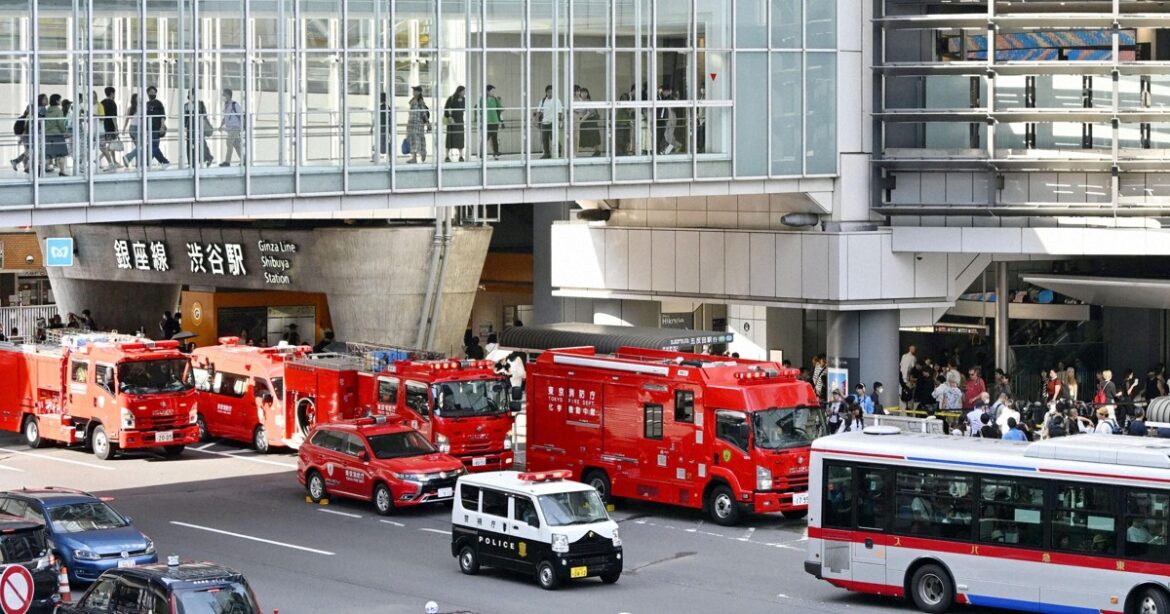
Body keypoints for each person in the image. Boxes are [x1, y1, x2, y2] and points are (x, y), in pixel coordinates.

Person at [184, 89, 214, 168]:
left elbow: (204, 115)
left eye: (193, 94)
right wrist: (185, 125)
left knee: (201, 143)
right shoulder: (186, 105)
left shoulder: (200, 104)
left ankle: (207, 158)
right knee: (189, 144)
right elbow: (185, 117)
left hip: (198, 126)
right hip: (190, 127)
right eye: (190, 94)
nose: (191, 96)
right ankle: (191, 162)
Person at [144, 86, 170, 169]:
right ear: (147, 93)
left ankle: (164, 161)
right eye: (150, 92)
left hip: (156, 128)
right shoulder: (147, 104)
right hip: (148, 128)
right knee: (151, 147)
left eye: (154, 92)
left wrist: (162, 126)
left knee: (153, 147)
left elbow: (162, 115)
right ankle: (147, 163)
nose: (152, 93)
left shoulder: (158, 103)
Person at [97, 87, 122, 171]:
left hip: (103, 126)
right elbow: (113, 117)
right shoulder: (112, 103)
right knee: (111, 145)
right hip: (110, 126)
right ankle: (99, 158)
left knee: (111, 144)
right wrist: (116, 128)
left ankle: (114, 161)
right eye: (114, 93)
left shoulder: (102, 102)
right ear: (112, 93)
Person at [43, 94, 69, 176]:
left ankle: (41, 170)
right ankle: (62, 171)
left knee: (49, 154)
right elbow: (60, 123)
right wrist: (64, 131)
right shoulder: (58, 111)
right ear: (57, 101)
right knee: (62, 154)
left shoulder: (47, 110)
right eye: (60, 100)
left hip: (48, 134)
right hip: (57, 134)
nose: (61, 101)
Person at [535, 85, 563, 159]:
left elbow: (560, 112)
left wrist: (560, 122)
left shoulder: (557, 100)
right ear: (546, 92)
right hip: (545, 122)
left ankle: (559, 151)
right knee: (544, 138)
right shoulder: (543, 100)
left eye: (552, 91)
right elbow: (539, 111)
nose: (550, 93)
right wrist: (536, 121)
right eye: (549, 91)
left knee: (553, 138)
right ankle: (547, 153)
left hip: (553, 122)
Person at [220, 89, 245, 167]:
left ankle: (227, 162)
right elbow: (225, 117)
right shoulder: (226, 105)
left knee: (229, 142)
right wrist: (221, 126)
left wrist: (243, 126)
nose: (222, 97)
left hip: (235, 128)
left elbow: (241, 115)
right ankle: (244, 161)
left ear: (229, 96)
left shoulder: (235, 104)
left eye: (224, 95)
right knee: (237, 145)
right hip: (229, 129)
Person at [407, 86, 430, 164]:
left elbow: (423, 113)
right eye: (413, 91)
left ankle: (421, 154)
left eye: (415, 91)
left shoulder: (420, 101)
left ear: (419, 92)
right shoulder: (413, 100)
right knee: (413, 140)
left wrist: (427, 123)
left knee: (418, 139)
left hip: (418, 124)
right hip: (411, 124)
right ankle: (414, 157)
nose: (413, 92)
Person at [442, 85, 466, 162]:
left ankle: (461, 155)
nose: (464, 93)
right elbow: (446, 109)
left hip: (460, 121)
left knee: (460, 138)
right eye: (463, 91)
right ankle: (447, 156)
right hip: (452, 121)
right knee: (450, 138)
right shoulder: (451, 98)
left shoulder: (463, 99)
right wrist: (449, 117)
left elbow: (464, 108)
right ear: (459, 91)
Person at [577, 87, 601, 157]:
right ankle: (576, 150)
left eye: (585, 92)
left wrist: (581, 121)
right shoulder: (579, 102)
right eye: (582, 92)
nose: (584, 94)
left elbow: (589, 112)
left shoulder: (589, 101)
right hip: (583, 120)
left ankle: (597, 150)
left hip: (590, 120)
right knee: (582, 136)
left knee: (593, 135)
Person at [482, 85, 504, 159]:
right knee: (486, 137)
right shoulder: (483, 99)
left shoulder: (494, 99)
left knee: (494, 137)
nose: (493, 92)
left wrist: (499, 101)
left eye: (494, 91)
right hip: (487, 121)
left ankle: (496, 152)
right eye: (492, 91)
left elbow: (500, 107)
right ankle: (481, 152)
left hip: (495, 121)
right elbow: (480, 109)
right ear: (487, 91)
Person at [122, 93, 141, 168]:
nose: (139, 99)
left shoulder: (131, 108)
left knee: (138, 147)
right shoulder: (138, 108)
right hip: (136, 129)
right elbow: (127, 119)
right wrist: (123, 129)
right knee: (141, 147)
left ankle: (138, 164)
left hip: (132, 129)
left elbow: (127, 119)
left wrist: (124, 129)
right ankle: (128, 157)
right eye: (138, 98)